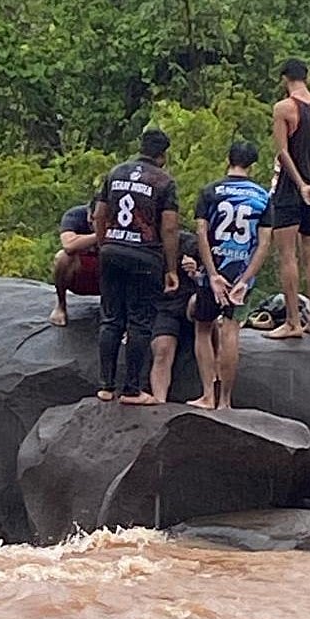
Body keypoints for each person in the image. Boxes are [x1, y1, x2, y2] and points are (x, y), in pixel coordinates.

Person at [93, 128, 180, 405]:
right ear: (163, 155)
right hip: (145, 255)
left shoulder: (115, 173)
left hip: (112, 250)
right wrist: (171, 268)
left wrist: (102, 244)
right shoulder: (164, 181)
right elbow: (169, 227)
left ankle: (106, 386)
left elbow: (99, 214)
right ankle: (131, 389)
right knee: (139, 323)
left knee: (111, 319)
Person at [190, 141, 271, 410]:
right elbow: (264, 243)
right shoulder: (262, 196)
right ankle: (225, 400)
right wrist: (246, 280)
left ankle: (207, 394)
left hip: (212, 270)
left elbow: (201, 232)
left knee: (203, 327)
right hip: (241, 272)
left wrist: (212, 273)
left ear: (229, 159)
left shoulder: (210, 191)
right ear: (252, 164)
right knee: (231, 331)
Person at [264, 58, 310, 339]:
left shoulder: (284, 108)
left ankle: (293, 321)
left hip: (290, 188)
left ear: (286, 79)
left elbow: (283, 152)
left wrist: (301, 184)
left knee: (286, 255)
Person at [149, 230, 199, 403]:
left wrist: (196, 272)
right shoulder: (147, 244)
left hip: (192, 304)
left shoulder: (191, 243)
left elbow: (216, 278)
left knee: (204, 309)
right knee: (163, 348)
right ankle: (159, 400)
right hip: (165, 307)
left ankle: (216, 394)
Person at [49, 198, 99, 326]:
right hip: (81, 275)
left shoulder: (122, 220)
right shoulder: (75, 215)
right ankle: (61, 305)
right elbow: (69, 245)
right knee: (62, 257)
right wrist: (100, 234)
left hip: (109, 278)